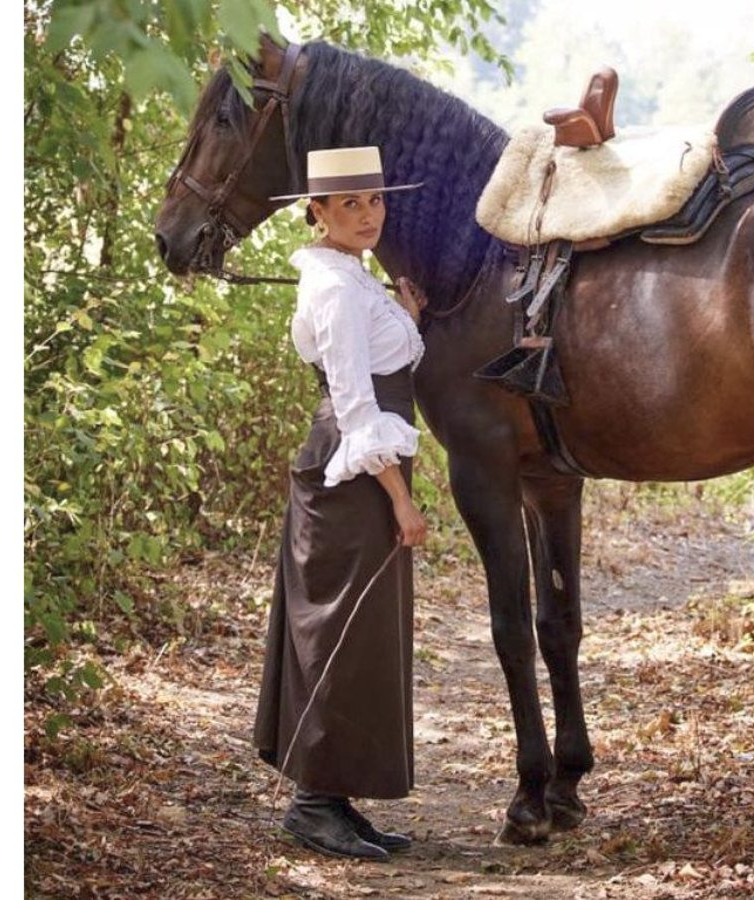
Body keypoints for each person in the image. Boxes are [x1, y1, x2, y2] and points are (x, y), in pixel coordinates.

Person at [253, 146, 429, 861]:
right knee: (341, 632)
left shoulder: (352, 279)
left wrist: (406, 316)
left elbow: (377, 360)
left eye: (375, 201)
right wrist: (399, 499)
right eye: (348, 204)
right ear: (316, 212)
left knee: (363, 635)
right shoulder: (331, 288)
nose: (366, 216)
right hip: (352, 472)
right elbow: (356, 405)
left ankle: (338, 799)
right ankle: (312, 804)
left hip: (358, 470)